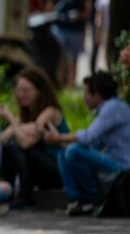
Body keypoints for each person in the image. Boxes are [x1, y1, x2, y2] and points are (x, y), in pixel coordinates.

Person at [45, 72, 130, 216]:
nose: (84, 98)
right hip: (112, 160)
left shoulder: (113, 108)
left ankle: (91, 199)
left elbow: (88, 136)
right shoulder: (107, 109)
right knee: (63, 154)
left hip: (123, 165)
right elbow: (95, 143)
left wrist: (59, 137)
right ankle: (77, 200)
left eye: (86, 93)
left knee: (73, 151)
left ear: (97, 94)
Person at [0, 67, 68, 208]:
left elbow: (25, 143)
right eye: (19, 90)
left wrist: (12, 121)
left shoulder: (50, 111)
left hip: (57, 171)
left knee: (20, 147)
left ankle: (25, 196)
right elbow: (2, 139)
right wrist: (24, 127)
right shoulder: (26, 115)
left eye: (26, 90)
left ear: (39, 91)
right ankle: (8, 192)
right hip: (39, 170)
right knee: (9, 146)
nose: (21, 94)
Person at [45, 0, 90, 87]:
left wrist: (79, 15)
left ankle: (70, 86)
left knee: (73, 60)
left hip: (76, 30)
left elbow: (88, 10)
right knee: (60, 58)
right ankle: (59, 84)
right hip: (59, 28)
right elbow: (48, 9)